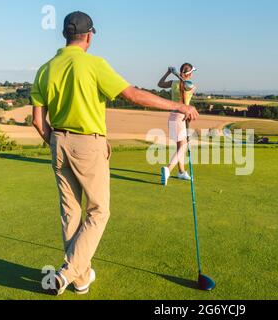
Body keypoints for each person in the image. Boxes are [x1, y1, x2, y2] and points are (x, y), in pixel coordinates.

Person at [31, 11, 198, 296]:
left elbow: (37, 119)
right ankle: (67, 273)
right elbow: (132, 94)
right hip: (88, 144)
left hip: (57, 141)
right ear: (88, 35)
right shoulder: (94, 64)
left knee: (70, 212)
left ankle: (81, 279)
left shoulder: (45, 68)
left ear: (65, 35)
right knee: (99, 211)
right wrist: (179, 107)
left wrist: (57, 143)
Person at [158, 63, 197, 186]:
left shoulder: (173, 83)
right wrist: (177, 76)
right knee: (183, 146)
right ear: (189, 74)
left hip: (172, 117)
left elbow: (160, 83)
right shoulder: (192, 86)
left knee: (180, 146)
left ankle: (181, 171)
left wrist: (168, 73)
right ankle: (168, 169)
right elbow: (187, 86)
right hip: (180, 118)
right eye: (192, 72)